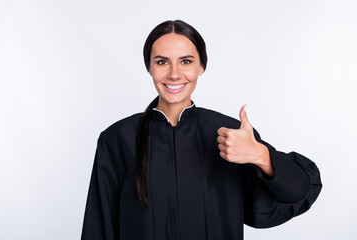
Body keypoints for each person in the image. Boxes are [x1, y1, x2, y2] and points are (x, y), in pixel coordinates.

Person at [81, 20, 322, 240]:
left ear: (201, 66)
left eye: (186, 61)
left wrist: (261, 156)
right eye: (162, 61)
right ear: (149, 67)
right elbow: (98, 227)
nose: (174, 74)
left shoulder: (231, 136)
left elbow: (296, 193)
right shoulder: (118, 139)